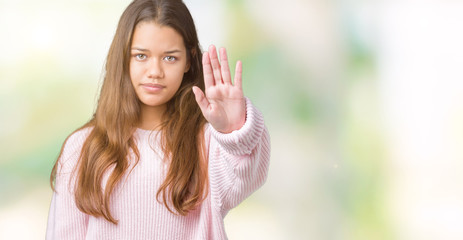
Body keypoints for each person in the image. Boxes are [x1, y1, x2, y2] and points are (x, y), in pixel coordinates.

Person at [46, 0, 270, 239]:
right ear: (123, 58)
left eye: (170, 58)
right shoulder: (81, 147)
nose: (155, 71)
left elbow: (245, 178)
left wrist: (233, 131)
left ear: (189, 61)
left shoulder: (208, 144)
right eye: (141, 55)